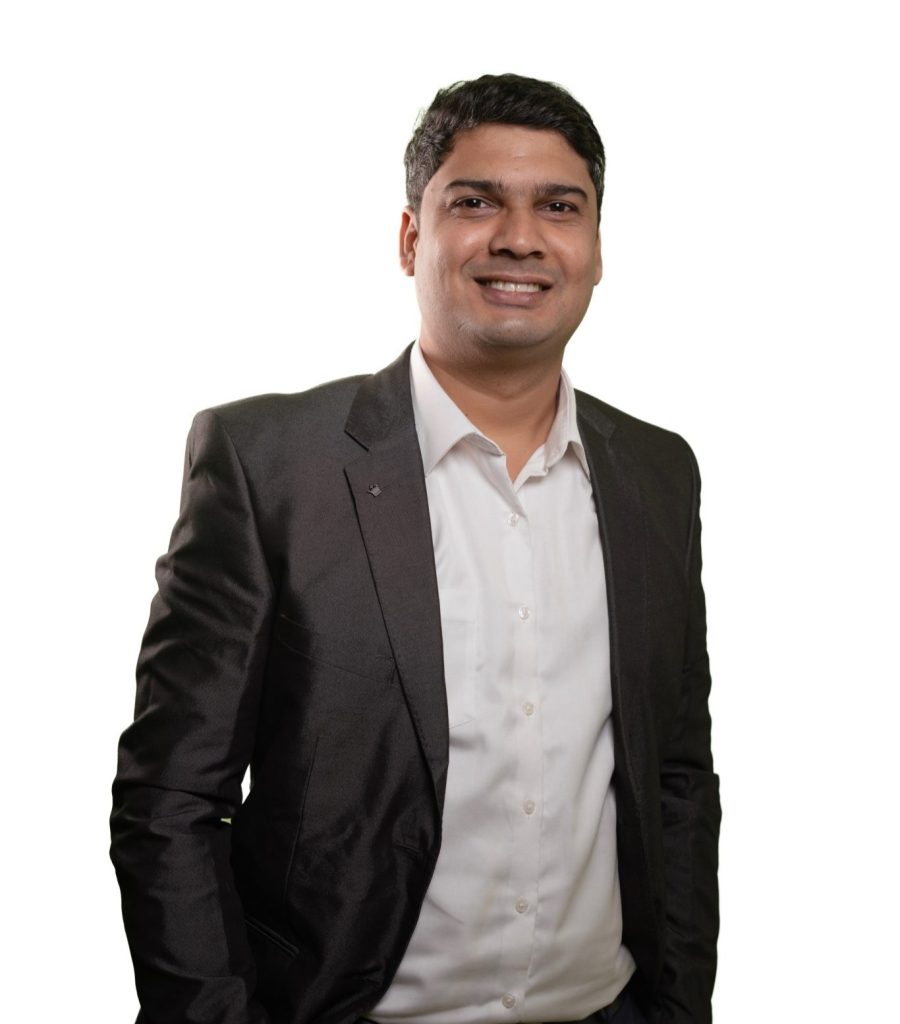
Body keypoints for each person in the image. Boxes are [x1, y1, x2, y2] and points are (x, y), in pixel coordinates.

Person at [111, 73, 720, 1024]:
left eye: (560, 207)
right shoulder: (271, 466)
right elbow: (170, 800)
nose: (520, 237)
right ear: (409, 239)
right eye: (475, 202)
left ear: (597, 248)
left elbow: (675, 777)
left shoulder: (657, 474)